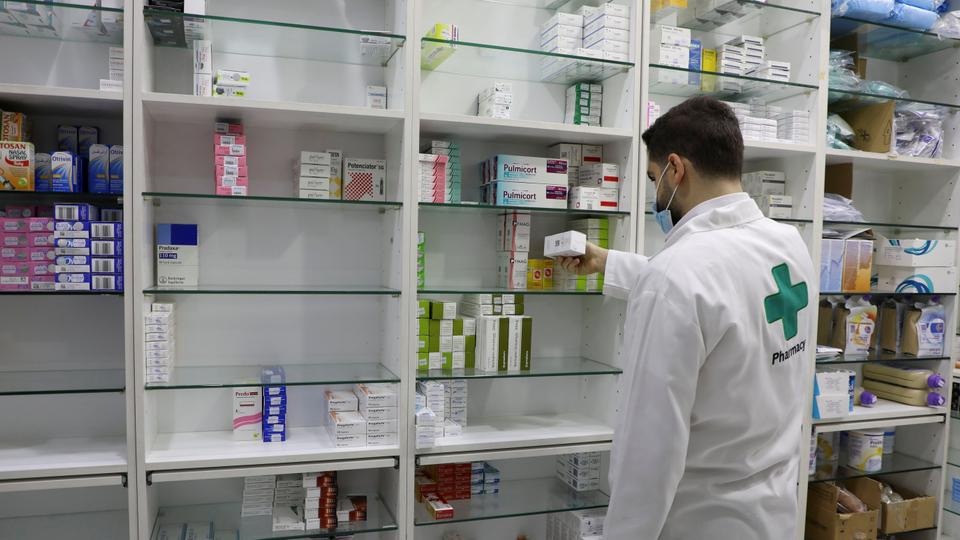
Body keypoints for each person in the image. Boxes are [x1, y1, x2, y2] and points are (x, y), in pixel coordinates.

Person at [558, 96, 814, 539]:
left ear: (676, 169)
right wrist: (608, 262)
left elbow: (648, 454)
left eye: (654, 178)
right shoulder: (788, 244)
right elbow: (723, 299)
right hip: (773, 515)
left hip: (698, 522)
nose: (656, 194)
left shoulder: (677, 276)